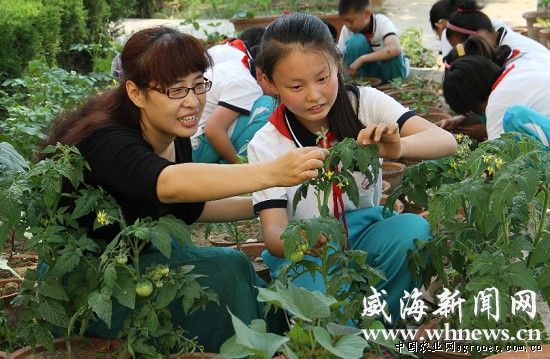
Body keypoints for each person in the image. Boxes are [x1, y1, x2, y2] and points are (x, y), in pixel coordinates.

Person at [40, 26, 327, 352]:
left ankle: (266, 341)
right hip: (91, 286)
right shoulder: (106, 139)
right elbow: (169, 185)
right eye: (175, 90)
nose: (193, 102)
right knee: (226, 270)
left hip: (140, 265)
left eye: (198, 85)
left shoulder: (174, 136)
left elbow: (192, 207)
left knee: (235, 269)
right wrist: (271, 173)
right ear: (135, 92)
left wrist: (271, 203)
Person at [249, 13, 458, 323]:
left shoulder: (364, 104)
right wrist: (307, 242)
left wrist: (399, 147)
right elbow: (275, 233)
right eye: (296, 86)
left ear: (337, 62)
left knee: (412, 232)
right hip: (308, 252)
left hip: (366, 232)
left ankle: (388, 327)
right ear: (268, 82)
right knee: (326, 309)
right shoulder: (266, 144)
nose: (314, 95)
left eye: (323, 78)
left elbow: (445, 141)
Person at [191, 27, 275, 164]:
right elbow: (212, 130)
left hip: (187, 141)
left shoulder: (238, 67)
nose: (279, 92)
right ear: (261, 75)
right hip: (196, 148)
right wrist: (238, 166)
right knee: (269, 106)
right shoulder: (248, 85)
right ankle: (234, 168)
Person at [443, 54, 550, 143]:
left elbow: (495, 154)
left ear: (474, 101)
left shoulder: (497, 101)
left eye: (473, 110)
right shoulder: (515, 67)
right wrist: (461, 119)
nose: (480, 114)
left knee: (514, 118)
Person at [443, 0, 550, 59]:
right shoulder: (501, 44)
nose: (463, 56)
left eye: (462, 49)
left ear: (480, 35)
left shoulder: (512, 53)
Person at [337, 0, 409, 83]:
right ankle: (358, 84)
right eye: (344, 21)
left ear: (367, 14)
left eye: (350, 21)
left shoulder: (382, 22)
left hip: (391, 73)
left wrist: (362, 59)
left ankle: (392, 85)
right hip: (368, 75)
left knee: (391, 53)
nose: (347, 25)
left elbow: (395, 49)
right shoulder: (347, 30)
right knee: (356, 41)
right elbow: (339, 56)